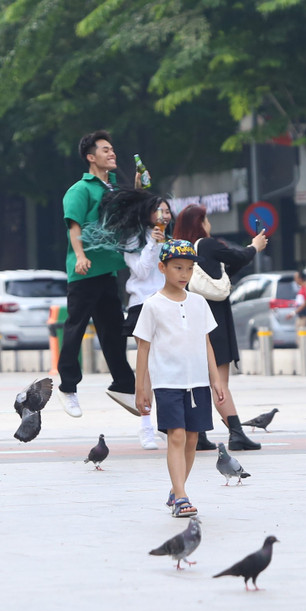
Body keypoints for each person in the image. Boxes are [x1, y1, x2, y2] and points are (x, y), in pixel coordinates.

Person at [133, 239, 231, 519]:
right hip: (168, 383)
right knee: (176, 436)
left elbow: (207, 343)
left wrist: (216, 381)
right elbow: (143, 348)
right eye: (178, 267)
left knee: (191, 440)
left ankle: (177, 489)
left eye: (189, 268)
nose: (184, 274)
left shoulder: (199, 302)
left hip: (197, 382)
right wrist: (141, 389)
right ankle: (182, 497)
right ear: (162, 267)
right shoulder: (152, 305)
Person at [173, 204, 266, 451]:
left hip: (192, 323)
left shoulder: (182, 253)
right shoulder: (207, 244)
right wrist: (254, 246)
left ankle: (200, 435)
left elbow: (226, 271)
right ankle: (236, 433)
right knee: (219, 383)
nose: (209, 225)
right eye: (206, 220)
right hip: (215, 323)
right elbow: (238, 257)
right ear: (200, 223)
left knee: (201, 381)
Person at [58, 130, 137, 418]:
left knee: (113, 331)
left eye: (112, 149)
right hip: (85, 271)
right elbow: (74, 226)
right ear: (91, 157)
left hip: (108, 270)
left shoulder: (113, 189)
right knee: (76, 327)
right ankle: (68, 387)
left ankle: (123, 384)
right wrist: (79, 256)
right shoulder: (81, 189)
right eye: (105, 150)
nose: (112, 153)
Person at [113, 191, 174, 450]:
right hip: (143, 305)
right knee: (146, 367)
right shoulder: (132, 240)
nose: (164, 215)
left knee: (168, 367)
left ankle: (168, 423)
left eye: (167, 211)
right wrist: (153, 244)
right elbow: (140, 271)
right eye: (159, 210)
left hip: (168, 305)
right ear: (148, 214)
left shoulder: (171, 241)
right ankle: (145, 426)